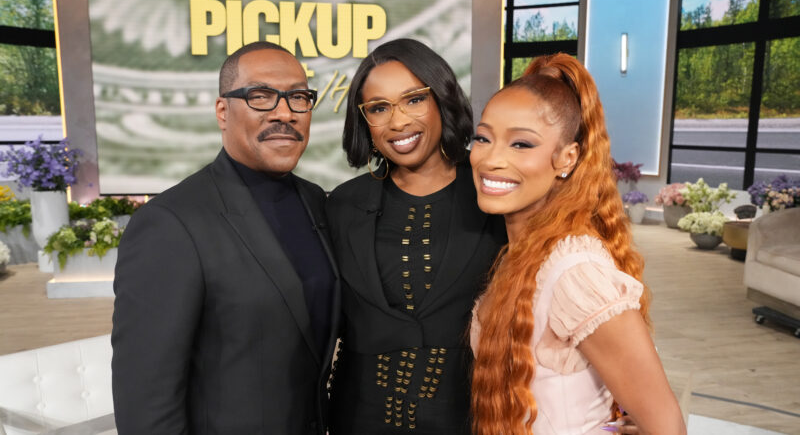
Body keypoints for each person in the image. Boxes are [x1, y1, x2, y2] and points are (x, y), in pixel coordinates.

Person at [111, 41, 340, 435]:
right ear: (222, 111)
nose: (285, 112)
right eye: (261, 96)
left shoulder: (315, 201)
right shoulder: (169, 223)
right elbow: (145, 404)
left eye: (299, 97)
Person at [469, 53, 686, 434]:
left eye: (521, 144)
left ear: (567, 158)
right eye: (483, 138)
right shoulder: (519, 255)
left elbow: (667, 427)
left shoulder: (575, 273)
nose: (492, 159)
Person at [325, 38, 507, 434]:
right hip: (356, 420)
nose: (398, 122)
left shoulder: (493, 198)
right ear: (364, 121)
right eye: (379, 108)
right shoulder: (342, 205)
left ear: (441, 98)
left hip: (466, 420)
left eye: (413, 100)